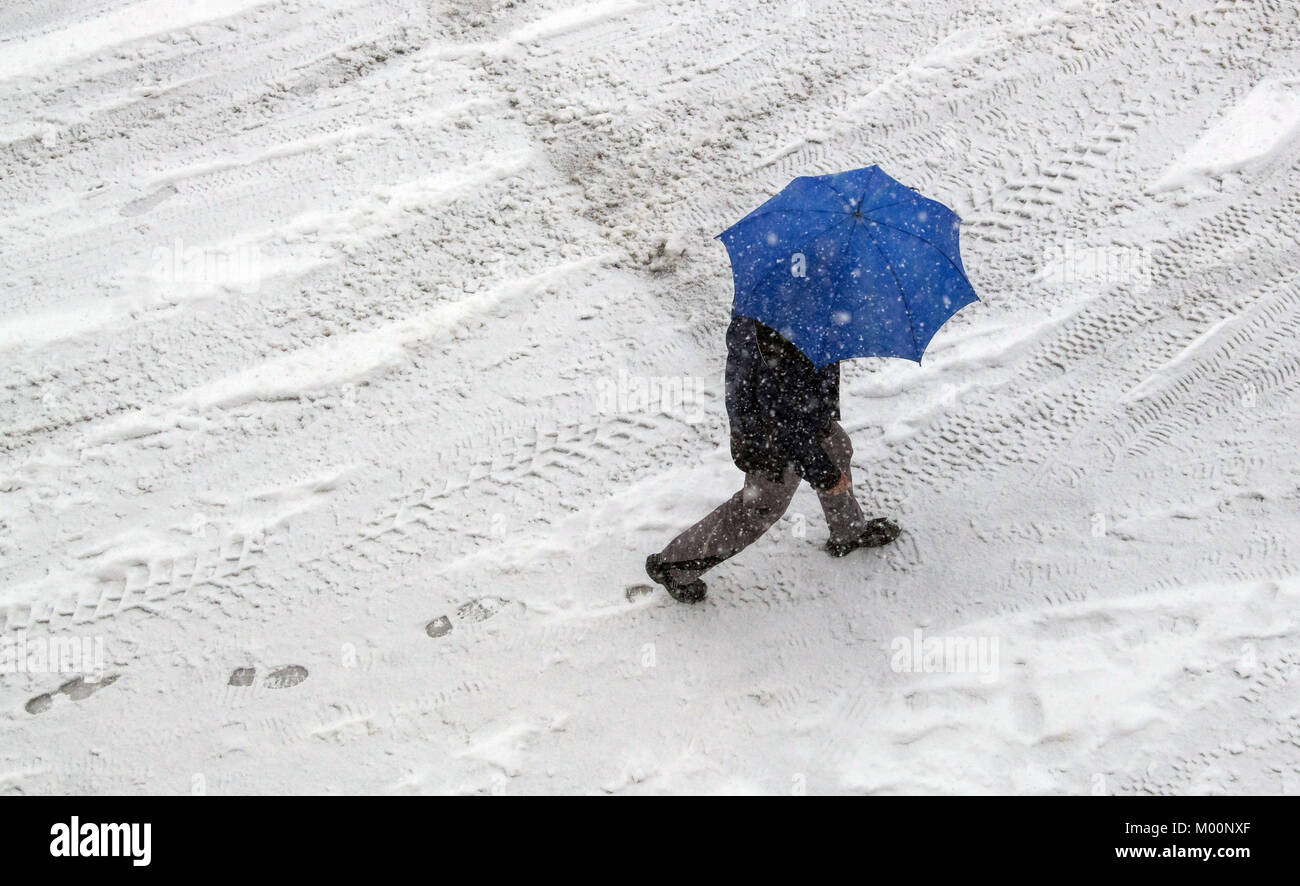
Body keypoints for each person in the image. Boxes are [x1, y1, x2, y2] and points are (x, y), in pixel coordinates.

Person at [646, 315, 900, 602]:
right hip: (770, 443)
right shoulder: (789, 339)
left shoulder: (775, 306)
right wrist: (825, 476)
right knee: (759, 508)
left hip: (796, 418)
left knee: (836, 448)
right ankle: (674, 565)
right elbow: (788, 426)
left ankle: (848, 532)